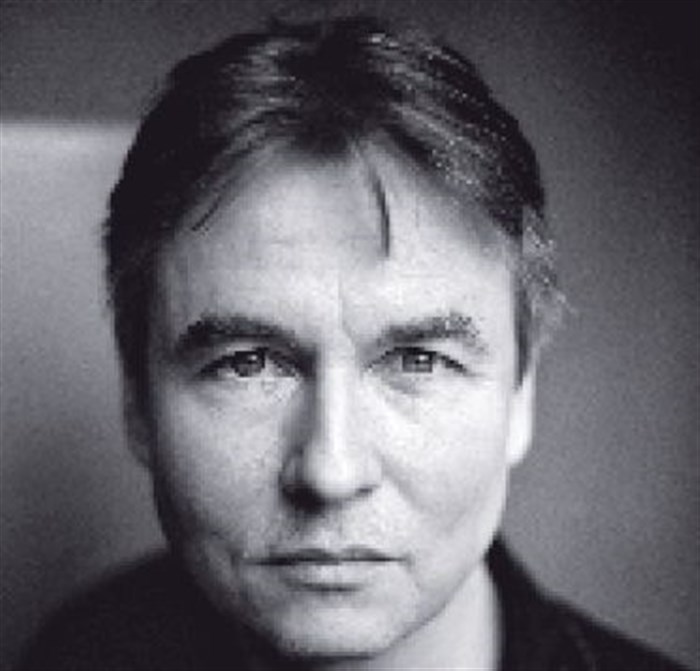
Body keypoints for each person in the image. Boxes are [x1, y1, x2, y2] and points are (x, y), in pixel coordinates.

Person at [19, 14, 690, 671]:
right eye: (247, 363)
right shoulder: (80, 651)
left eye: (419, 360)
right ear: (137, 400)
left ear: (520, 396)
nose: (330, 471)